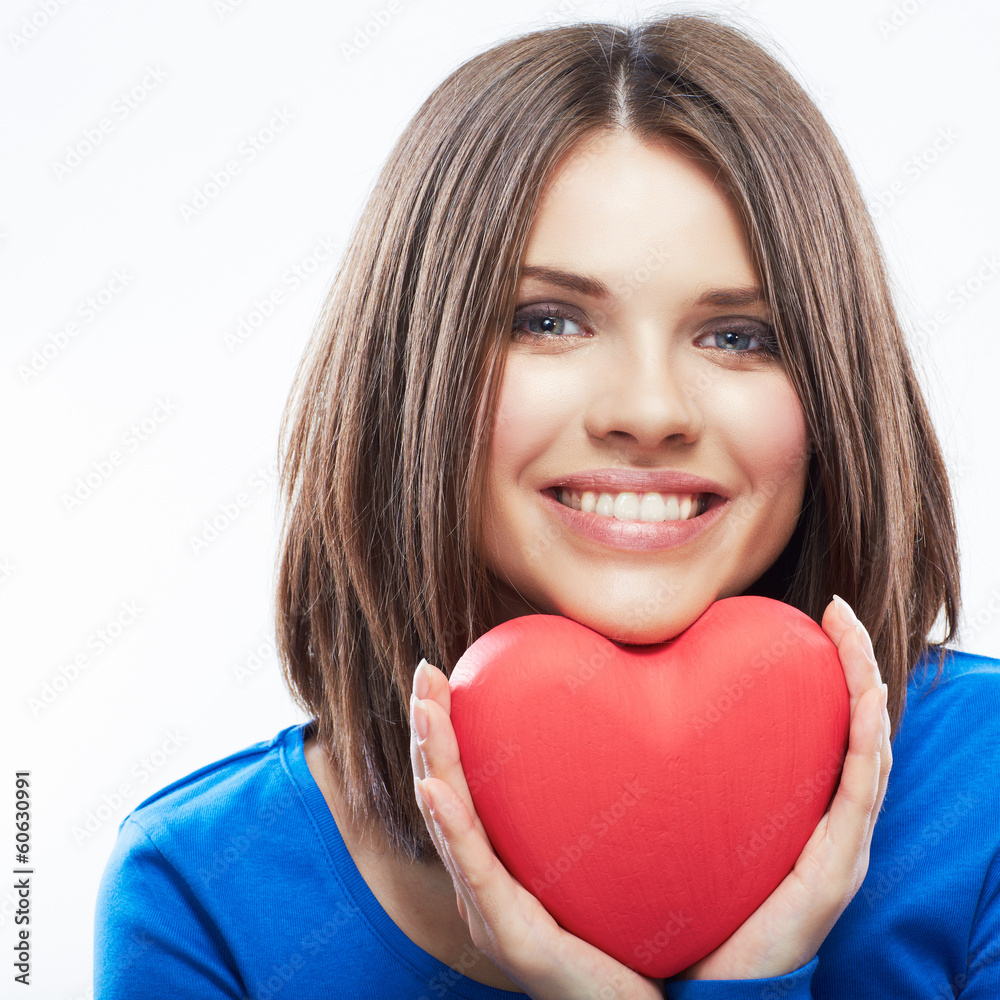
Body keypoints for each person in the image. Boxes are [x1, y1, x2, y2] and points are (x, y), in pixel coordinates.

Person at [93, 11, 1000, 999]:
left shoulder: (982, 790)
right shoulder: (203, 894)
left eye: (737, 335)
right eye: (548, 321)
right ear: (411, 370)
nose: (648, 411)